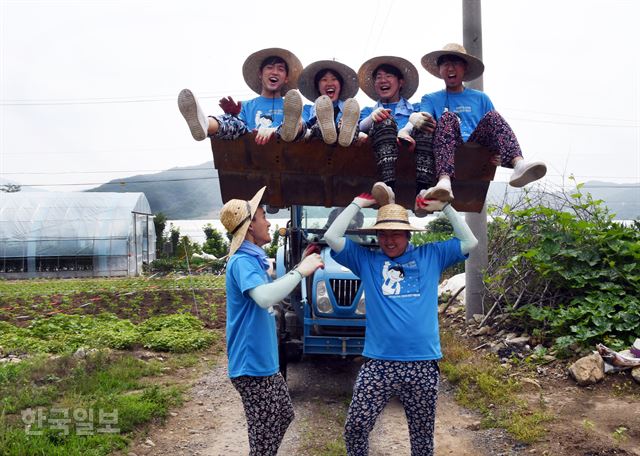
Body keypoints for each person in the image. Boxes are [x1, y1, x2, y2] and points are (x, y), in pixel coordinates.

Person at [323, 182, 478, 456]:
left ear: (408, 234)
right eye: (383, 234)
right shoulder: (367, 260)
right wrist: (358, 203)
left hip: (422, 363)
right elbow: (332, 237)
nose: (389, 240)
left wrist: (447, 208)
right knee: (356, 426)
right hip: (379, 363)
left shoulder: (431, 255)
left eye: (396, 233)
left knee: (421, 438)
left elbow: (470, 242)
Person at [220, 186, 324, 455]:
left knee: (282, 415)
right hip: (250, 365)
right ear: (250, 227)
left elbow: (275, 285)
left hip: (264, 363)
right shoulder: (242, 261)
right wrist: (302, 271)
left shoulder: (254, 260)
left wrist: (300, 263)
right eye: (263, 216)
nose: (268, 222)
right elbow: (265, 297)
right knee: (263, 436)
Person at [417, 43, 547, 202]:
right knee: (447, 118)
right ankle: (444, 181)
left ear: (464, 68)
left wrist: (498, 153)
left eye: (456, 63)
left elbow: (494, 130)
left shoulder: (480, 98)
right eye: (445, 64)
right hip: (448, 148)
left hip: (475, 148)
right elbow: (423, 118)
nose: (450, 68)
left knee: (493, 116)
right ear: (439, 70)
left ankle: (518, 164)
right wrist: (415, 119)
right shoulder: (430, 98)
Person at [357, 56, 438, 214]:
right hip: (379, 160)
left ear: (400, 82)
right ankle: (389, 190)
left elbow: (427, 121)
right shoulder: (367, 111)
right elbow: (358, 127)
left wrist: (410, 125)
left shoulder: (416, 108)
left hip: (413, 159)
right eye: (378, 77)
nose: (383, 80)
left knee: (424, 123)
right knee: (384, 121)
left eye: (388, 76)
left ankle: (422, 193)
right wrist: (372, 117)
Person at [178, 47, 303, 146]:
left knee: (298, 125)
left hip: (288, 150)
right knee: (233, 121)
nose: (274, 72)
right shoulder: (244, 106)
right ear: (260, 74)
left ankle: (286, 129)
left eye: (280, 69)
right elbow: (238, 131)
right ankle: (205, 123)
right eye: (269, 68)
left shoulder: (296, 106)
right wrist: (234, 115)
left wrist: (274, 130)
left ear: (286, 78)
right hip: (253, 152)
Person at [280, 60, 362, 147]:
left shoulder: (350, 109)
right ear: (318, 87)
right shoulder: (308, 109)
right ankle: (293, 129)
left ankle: (343, 129)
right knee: (309, 127)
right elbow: (304, 121)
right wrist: (298, 124)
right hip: (315, 144)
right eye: (324, 79)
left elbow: (361, 125)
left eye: (334, 79)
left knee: (350, 127)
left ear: (340, 85)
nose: (329, 83)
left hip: (344, 148)